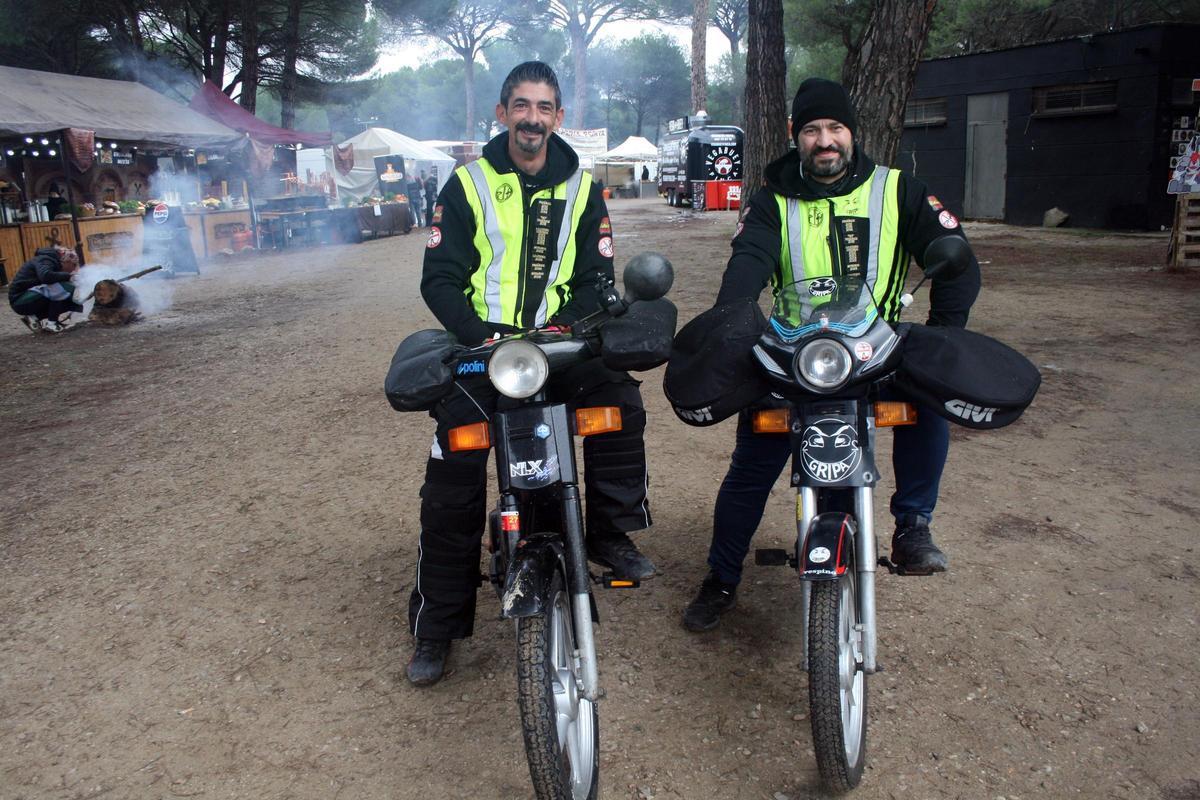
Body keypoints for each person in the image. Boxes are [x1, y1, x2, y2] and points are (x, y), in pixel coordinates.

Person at [682, 78, 982, 632]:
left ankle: (913, 526)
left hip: (875, 350)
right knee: (752, 463)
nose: (825, 141)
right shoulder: (771, 200)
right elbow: (746, 267)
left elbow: (958, 263)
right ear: (795, 135)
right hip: (795, 353)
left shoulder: (899, 190)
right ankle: (720, 578)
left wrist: (944, 334)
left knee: (928, 400)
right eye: (813, 130)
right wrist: (733, 324)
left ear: (852, 132)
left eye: (835, 128)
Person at [406, 61, 657, 685]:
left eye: (544, 108)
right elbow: (439, 279)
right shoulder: (467, 184)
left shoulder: (583, 188)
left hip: (559, 346)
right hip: (483, 350)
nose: (532, 119)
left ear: (558, 117)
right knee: (453, 472)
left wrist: (568, 331)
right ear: (502, 113)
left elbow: (597, 276)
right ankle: (437, 623)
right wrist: (480, 336)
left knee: (620, 404)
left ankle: (609, 532)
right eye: (521, 106)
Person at [8, 245, 83, 333]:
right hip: (19, 300)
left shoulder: (50, 260)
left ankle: (34, 318)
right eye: (74, 264)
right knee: (62, 289)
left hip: (26, 298)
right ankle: (52, 324)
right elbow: (46, 276)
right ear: (66, 261)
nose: (74, 268)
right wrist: (69, 276)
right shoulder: (45, 260)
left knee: (69, 300)